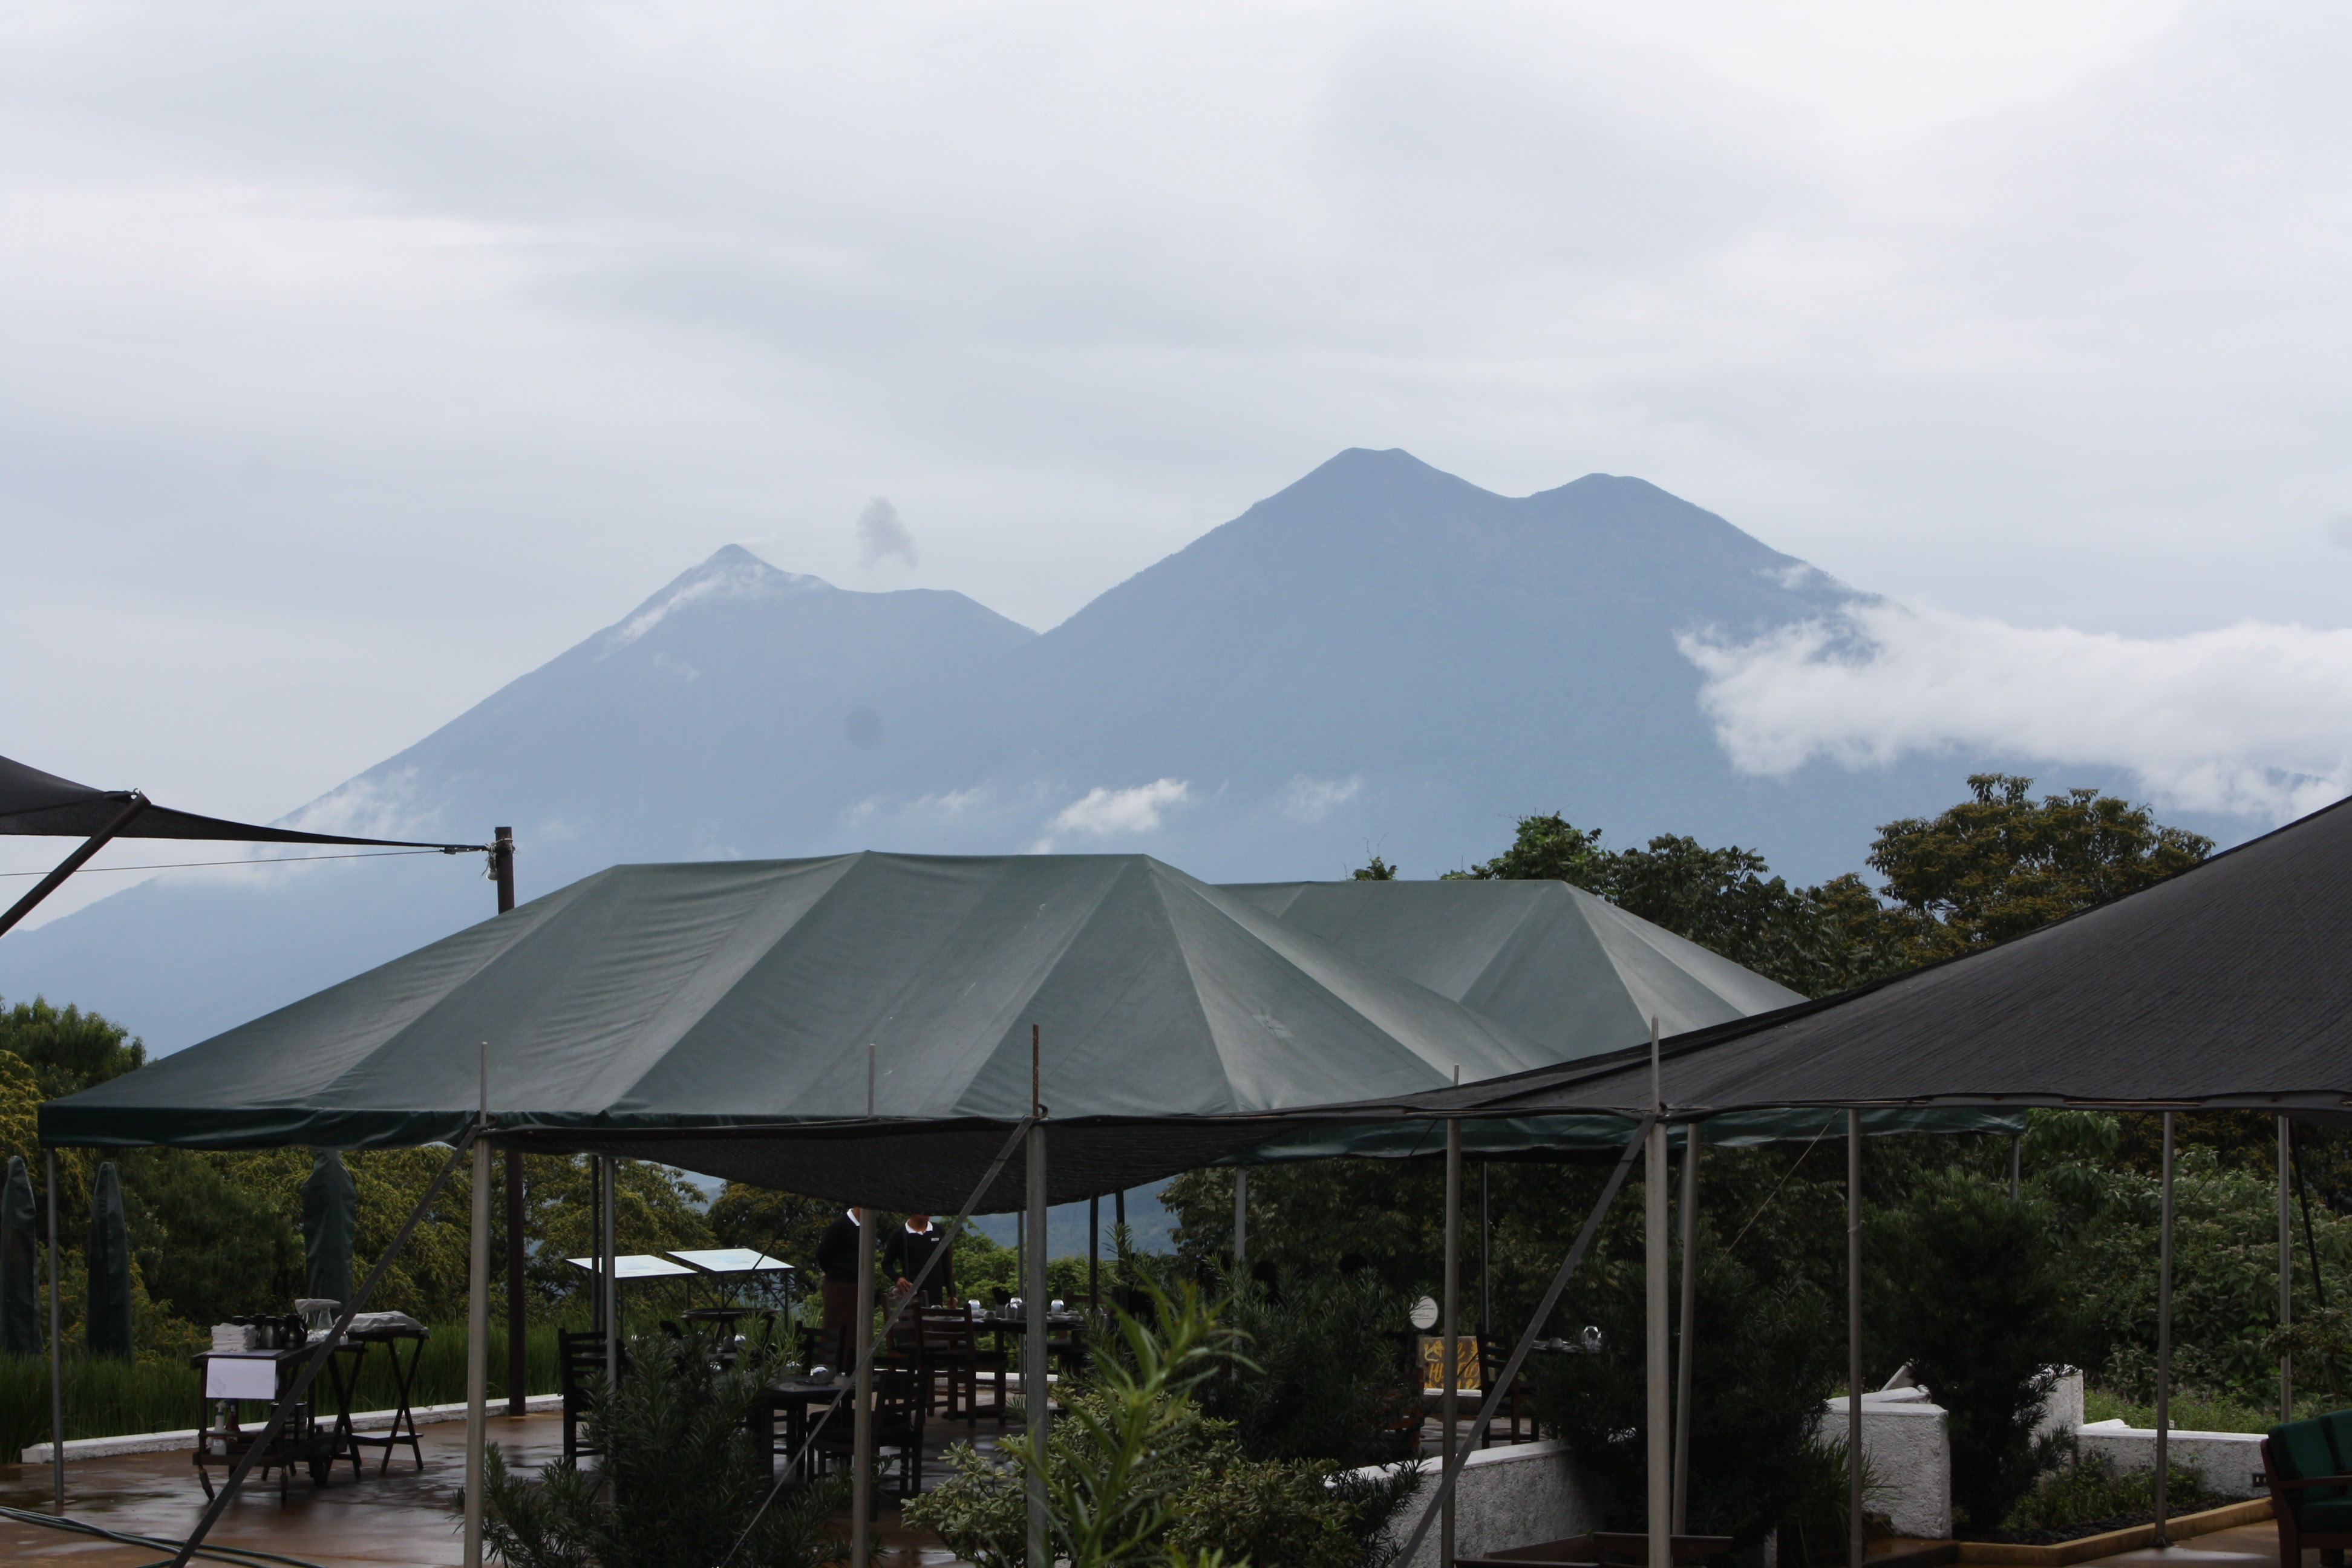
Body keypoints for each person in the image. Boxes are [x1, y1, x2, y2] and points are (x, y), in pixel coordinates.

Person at [815, 1207, 867, 1334]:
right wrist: (833, 1272)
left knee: (855, 1330)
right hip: (839, 1285)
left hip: (857, 1286)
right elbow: (823, 1253)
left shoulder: (866, 1227)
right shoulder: (840, 1225)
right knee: (835, 1328)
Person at [883, 1214, 953, 1305]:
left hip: (935, 1295)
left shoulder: (938, 1230)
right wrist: (898, 1278)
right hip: (911, 1295)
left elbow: (946, 1264)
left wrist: (951, 1293)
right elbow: (886, 1264)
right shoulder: (899, 1235)